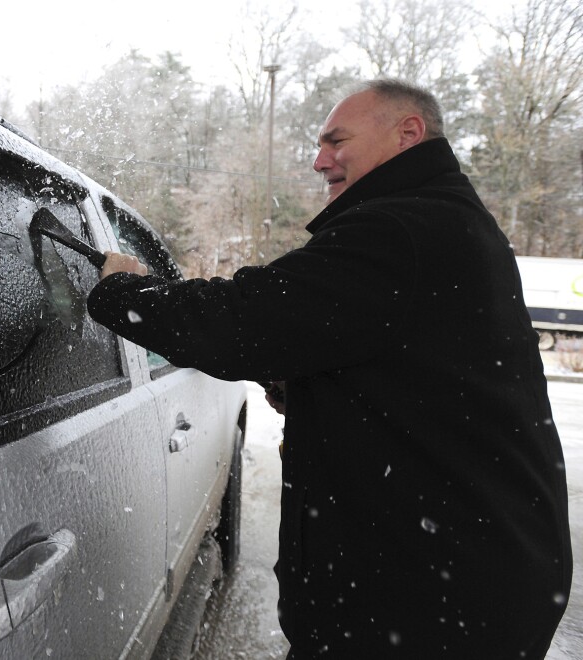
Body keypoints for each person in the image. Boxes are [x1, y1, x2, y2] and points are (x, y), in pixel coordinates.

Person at [87, 79, 572, 658]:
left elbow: (248, 321)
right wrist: (322, 389)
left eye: (336, 141)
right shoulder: (444, 220)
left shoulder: (401, 230)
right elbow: (411, 366)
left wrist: (122, 292)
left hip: (430, 608)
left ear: (407, 133)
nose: (320, 161)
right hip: (463, 582)